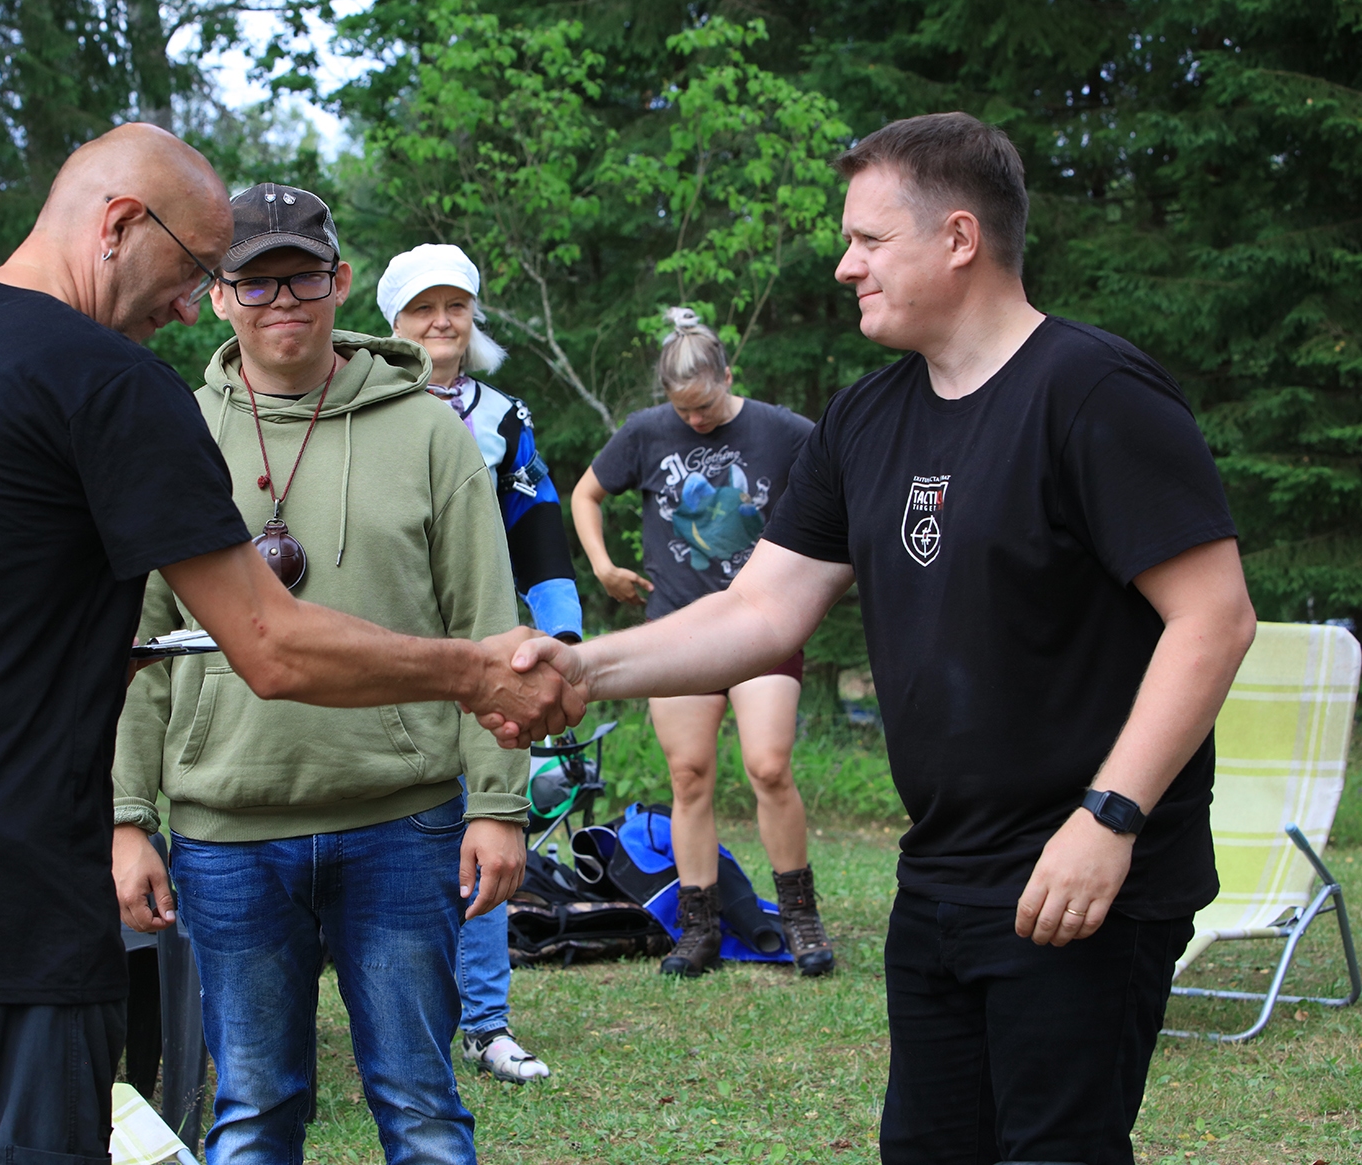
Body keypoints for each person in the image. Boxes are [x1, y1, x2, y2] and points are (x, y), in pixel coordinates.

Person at [0, 130, 576, 1165]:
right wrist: (472, 671)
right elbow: (271, 646)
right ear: (119, 224)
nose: (195, 306)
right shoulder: (109, 382)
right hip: (3, 909)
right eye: (196, 268)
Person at [497, 111, 1256, 1164]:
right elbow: (759, 612)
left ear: (958, 237)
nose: (845, 265)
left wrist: (1109, 815)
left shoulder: (1093, 392)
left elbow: (1214, 617)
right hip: (939, 872)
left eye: (868, 239)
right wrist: (583, 665)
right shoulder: (864, 419)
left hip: (1081, 877)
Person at [112, 185, 526, 1164]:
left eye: (301, 276)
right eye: (254, 283)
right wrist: (126, 816)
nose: (281, 301)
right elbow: (138, 647)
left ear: (339, 281)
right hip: (226, 832)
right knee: (252, 1109)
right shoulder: (174, 433)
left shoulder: (429, 431)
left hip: (402, 820)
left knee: (421, 1106)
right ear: (218, 295)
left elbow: (484, 625)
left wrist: (498, 802)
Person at [569, 307, 832, 978]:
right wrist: (602, 565)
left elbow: (842, 487)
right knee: (688, 777)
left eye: (706, 405)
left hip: (762, 625)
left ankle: (800, 916)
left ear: (728, 376)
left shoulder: (783, 430)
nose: (695, 419)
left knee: (768, 765)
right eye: (682, 409)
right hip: (680, 631)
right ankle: (698, 926)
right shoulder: (645, 432)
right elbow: (586, 494)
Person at [379, 243, 579, 1083]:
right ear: (391, 321)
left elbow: (538, 522)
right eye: (422, 308)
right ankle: (385, 1018)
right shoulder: (359, 403)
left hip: (482, 649)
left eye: (455, 306)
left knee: (486, 824)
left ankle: (486, 1022)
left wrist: (563, 638)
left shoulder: (503, 417)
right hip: (382, 651)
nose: (441, 322)